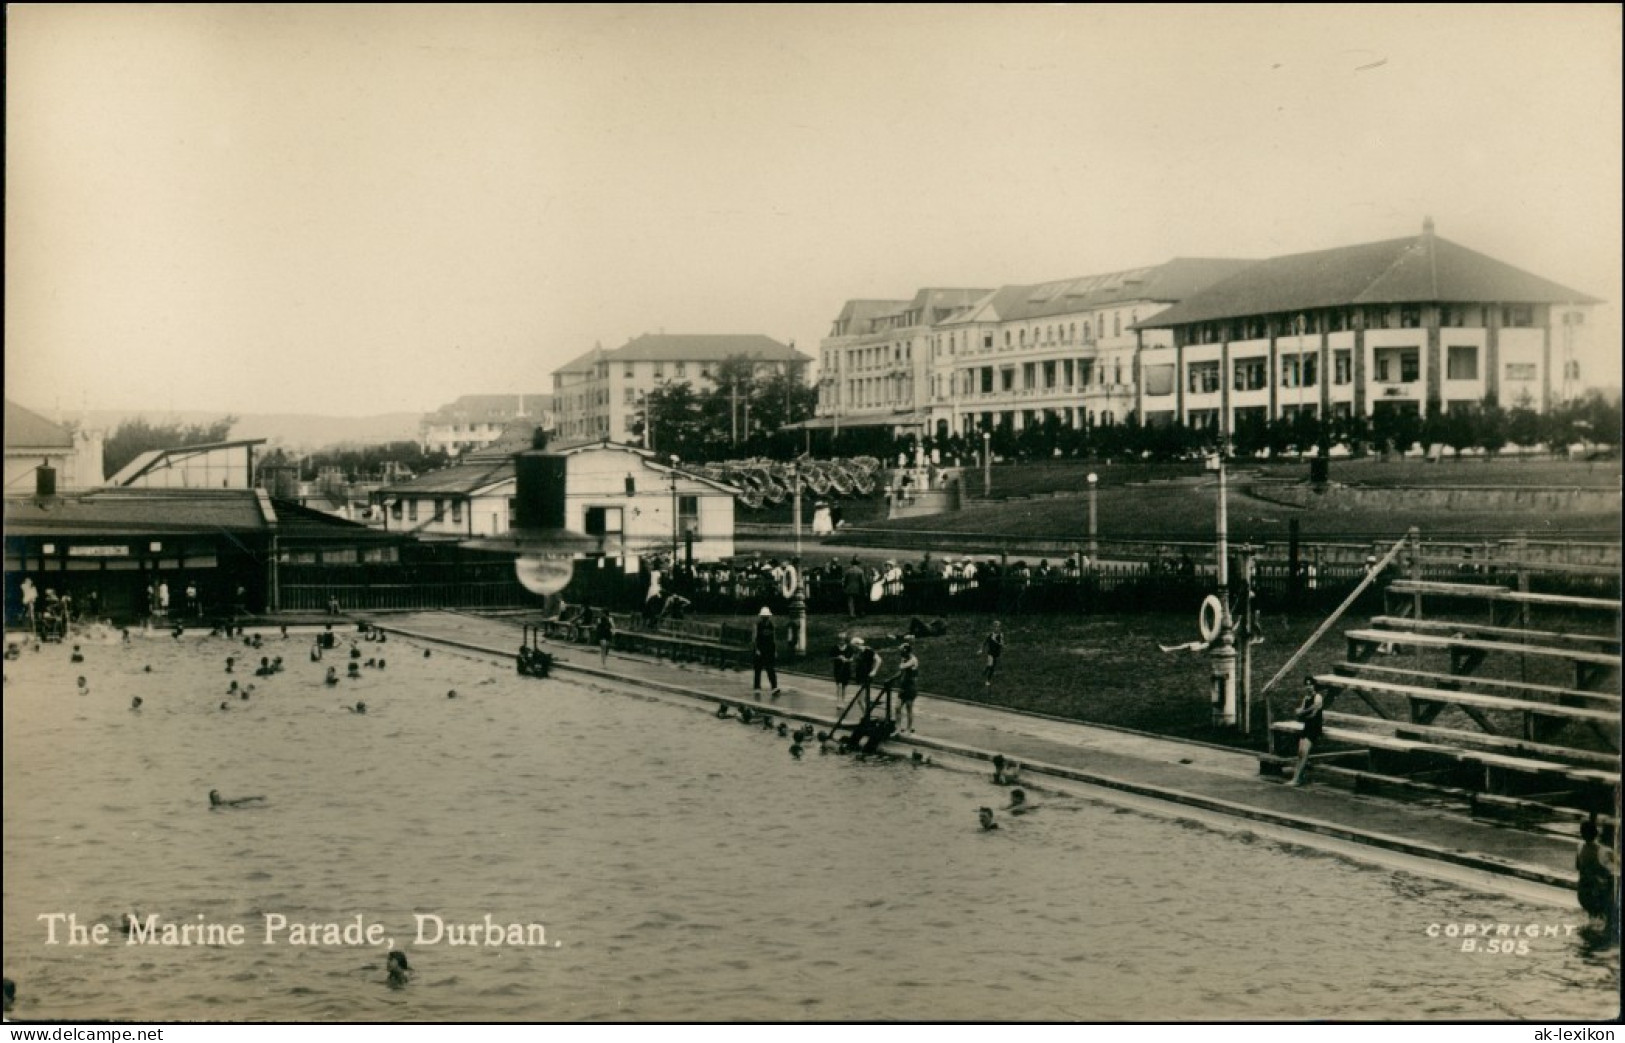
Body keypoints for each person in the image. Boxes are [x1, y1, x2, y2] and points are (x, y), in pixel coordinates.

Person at [1576, 816, 1619, 931]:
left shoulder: (1579, 847)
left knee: (1593, 922)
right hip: (1599, 895)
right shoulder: (1605, 851)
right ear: (1597, 833)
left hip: (1583, 894)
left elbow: (1578, 867)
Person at [1290, 676, 1325, 786]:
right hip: (1307, 726)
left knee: (1305, 753)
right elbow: (1302, 710)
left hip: (1314, 727)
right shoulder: (1306, 698)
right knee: (1300, 752)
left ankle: (1296, 780)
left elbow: (1313, 711)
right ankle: (1298, 777)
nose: (1309, 687)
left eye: (1310, 684)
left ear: (1314, 685)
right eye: (1307, 684)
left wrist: (1302, 712)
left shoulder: (1318, 697)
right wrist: (1299, 711)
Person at [752, 607, 781, 699]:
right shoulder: (758, 625)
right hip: (760, 649)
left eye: (767, 617)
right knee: (758, 668)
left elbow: (774, 639)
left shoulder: (771, 625)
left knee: (770, 668)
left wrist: (775, 650)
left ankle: (774, 686)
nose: (766, 618)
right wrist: (756, 649)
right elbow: (755, 638)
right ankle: (757, 686)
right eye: (764, 617)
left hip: (769, 649)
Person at [892, 641, 920, 734]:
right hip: (903, 686)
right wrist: (893, 678)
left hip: (910, 686)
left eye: (902, 651)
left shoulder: (913, 660)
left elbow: (902, 667)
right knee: (897, 707)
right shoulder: (904, 658)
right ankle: (898, 727)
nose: (901, 654)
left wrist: (902, 663)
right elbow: (900, 672)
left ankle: (909, 728)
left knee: (909, 707)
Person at [831, 631, 853, 705]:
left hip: (846, 668)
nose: (841, 640)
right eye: (840, 639)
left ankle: (843, 701)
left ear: (845, 639)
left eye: (843, 639)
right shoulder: (834, 647)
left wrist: (846, 660)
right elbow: (831, 657)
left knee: (844, 686)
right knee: (839, 685)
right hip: (838, 668)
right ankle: (838, 701)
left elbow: (852, 658)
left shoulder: (849, 648)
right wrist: (838, 657)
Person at [981, 621, 1004, 689]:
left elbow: (1002, 644)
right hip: (990, 652)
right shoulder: (990, 635)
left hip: (996, 653)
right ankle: (987, 680)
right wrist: (981, 649)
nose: (997, 628)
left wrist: (996, 641)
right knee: (990, 664)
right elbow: (985, 642)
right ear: (993, 627)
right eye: (995, 627)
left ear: (1000, 628)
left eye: (998, 627)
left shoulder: (1001, 635)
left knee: (992, 667)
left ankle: (985, 671)